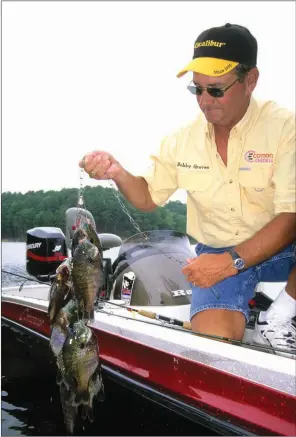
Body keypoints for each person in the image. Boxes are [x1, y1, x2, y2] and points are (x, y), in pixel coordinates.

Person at [79, 23, 296, 356]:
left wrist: (233, 262)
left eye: (216, 90)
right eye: (197, 90)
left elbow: (290, 216)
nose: (205, 101)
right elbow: (148, 197)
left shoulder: (285, 128)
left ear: (250, 80)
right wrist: (117, 172)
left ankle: (279, 317)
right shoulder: (181, 139)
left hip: (283, 249)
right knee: (213, 348)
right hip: (217, 253)